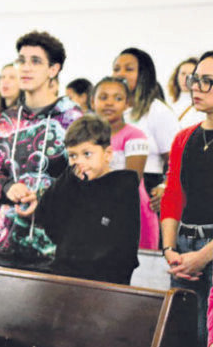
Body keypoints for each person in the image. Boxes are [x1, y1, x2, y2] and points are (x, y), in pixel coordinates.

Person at [0, 31, 82, 271]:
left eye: (35, 61)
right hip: (4, 243)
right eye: (22, 60)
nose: (25, 68)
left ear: (53, 69)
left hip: (54, 247)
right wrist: (7, 187)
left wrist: (46, 199)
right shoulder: (4, 120)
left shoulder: (74, 119)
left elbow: (83, 179)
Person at [16, 115, 140, 284]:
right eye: (73, 156)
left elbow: (124, 246)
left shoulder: (124, 186)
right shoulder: (70, 179)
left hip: (107, 279)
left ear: (108, 154)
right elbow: (46, 215)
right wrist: (68, 180)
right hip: (65, 273)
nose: (79, 162)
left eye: (87, 154)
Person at [161, 49, 213, 340]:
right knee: (180, 342)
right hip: (184, 247)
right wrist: (170, 250)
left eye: (207, 81)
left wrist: (203, 256)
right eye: (194, 79)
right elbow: (173, 196)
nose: (196, 88)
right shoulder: (185, 137)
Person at [93, 76, 158, 249]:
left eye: (118, 98)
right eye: (103, 97)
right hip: (95, 207)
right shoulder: (87, 136)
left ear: (128, 103)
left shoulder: (135, 136)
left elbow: (131, 180)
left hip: (130, 210)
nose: (109, 103)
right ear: (93, 102)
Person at [112, 47, 179, 214]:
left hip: (147, 189)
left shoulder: (157, 111)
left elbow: (177, 160)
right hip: (113, 188)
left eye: (129, 69)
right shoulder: (112, 111)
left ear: (143, 74)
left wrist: (166, 187)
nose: (120, 74)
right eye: (116, 69)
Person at [167, 57, 204, 127]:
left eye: (191, 74)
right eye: (183, 74)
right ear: (176, 76)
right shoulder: (170, 103)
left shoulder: (200, 107)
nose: (186, 78)